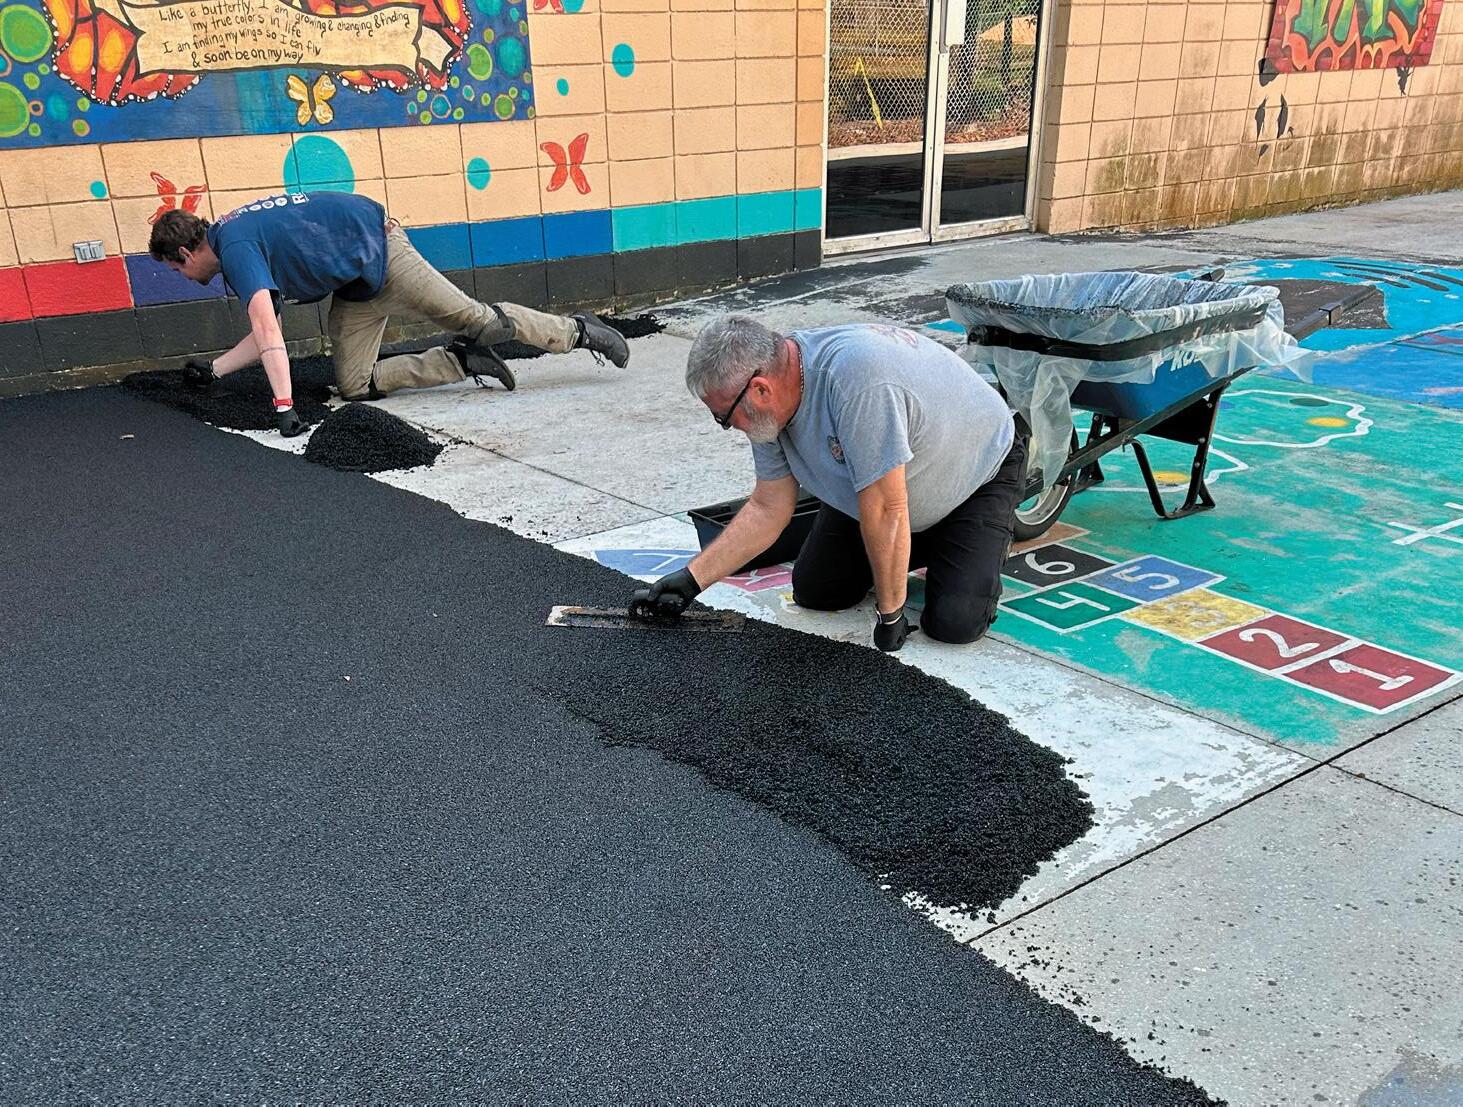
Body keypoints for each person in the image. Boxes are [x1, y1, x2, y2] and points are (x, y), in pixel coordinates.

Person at [635, 315, 1026, 653]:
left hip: (975, 476)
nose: (727, 427)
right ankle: (917, 543)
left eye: (724, 417)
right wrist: (691, 581)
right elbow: (769, 507)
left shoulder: (859, 382)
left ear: (760, 389)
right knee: (817, 590)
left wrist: (890, 614)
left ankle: (963, 540)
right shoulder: (766, 408)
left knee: (954, 623)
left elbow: (886, 509)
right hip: (886, 490)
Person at [148, 191, 630, 436]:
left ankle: (579, 331)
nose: (182, 277)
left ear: (186, 253)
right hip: (355, 286)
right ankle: (463, 361)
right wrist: (214, 371)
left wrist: (284, 407)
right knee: (355, 385)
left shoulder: (234, 249)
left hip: (385, 253)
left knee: (483, 322)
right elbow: (266, 328)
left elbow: (269, 333)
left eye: (175, 269)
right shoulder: (232, 240)